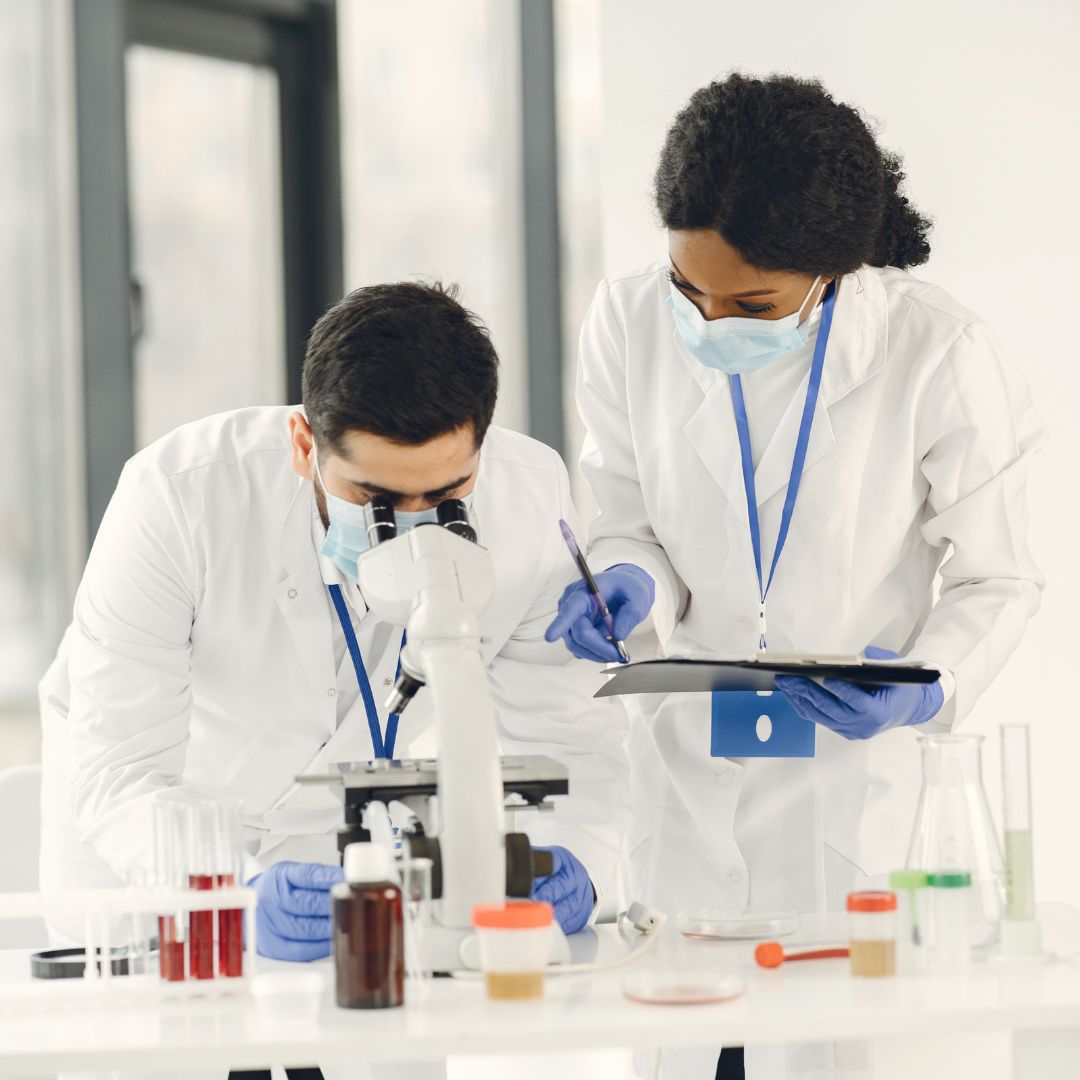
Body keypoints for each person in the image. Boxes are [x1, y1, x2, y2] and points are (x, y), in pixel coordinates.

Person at [546, 74, 1044, 1080]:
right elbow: (625, 512)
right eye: (691, 290)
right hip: (686, 783)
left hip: (846, 800)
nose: (708, 318)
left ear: (832, 270)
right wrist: (625, 580)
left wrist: (919, 691)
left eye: (750, 302)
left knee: (830, 1052)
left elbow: (999, 579)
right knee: (691, 1051)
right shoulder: (627, 320)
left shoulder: (937, 352)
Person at [40, 282, 628, 977]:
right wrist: (229, 893)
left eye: (445, 497)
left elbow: (575, 747)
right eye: (375, 499)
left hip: (354, 856)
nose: (411, 523)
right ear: (303, 444)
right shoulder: (178, 496)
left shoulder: (527, 500)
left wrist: (584, 862)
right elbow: (120, 770)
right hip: (160, 847)